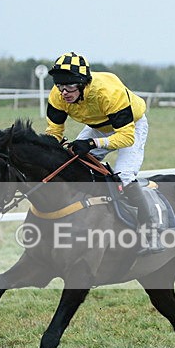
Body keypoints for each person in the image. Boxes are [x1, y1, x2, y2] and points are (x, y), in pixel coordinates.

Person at [44, 51, 163, 254]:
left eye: (69, 86)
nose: (64, 92)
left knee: (124, 176)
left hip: (129, 126)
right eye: (59, 85)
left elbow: (126, 138)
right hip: (97, 125)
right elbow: (54, 132)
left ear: (83, 83)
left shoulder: (108, 91)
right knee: (71, 165)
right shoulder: (58, 96)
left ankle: (152, 230)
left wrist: (91, 143)